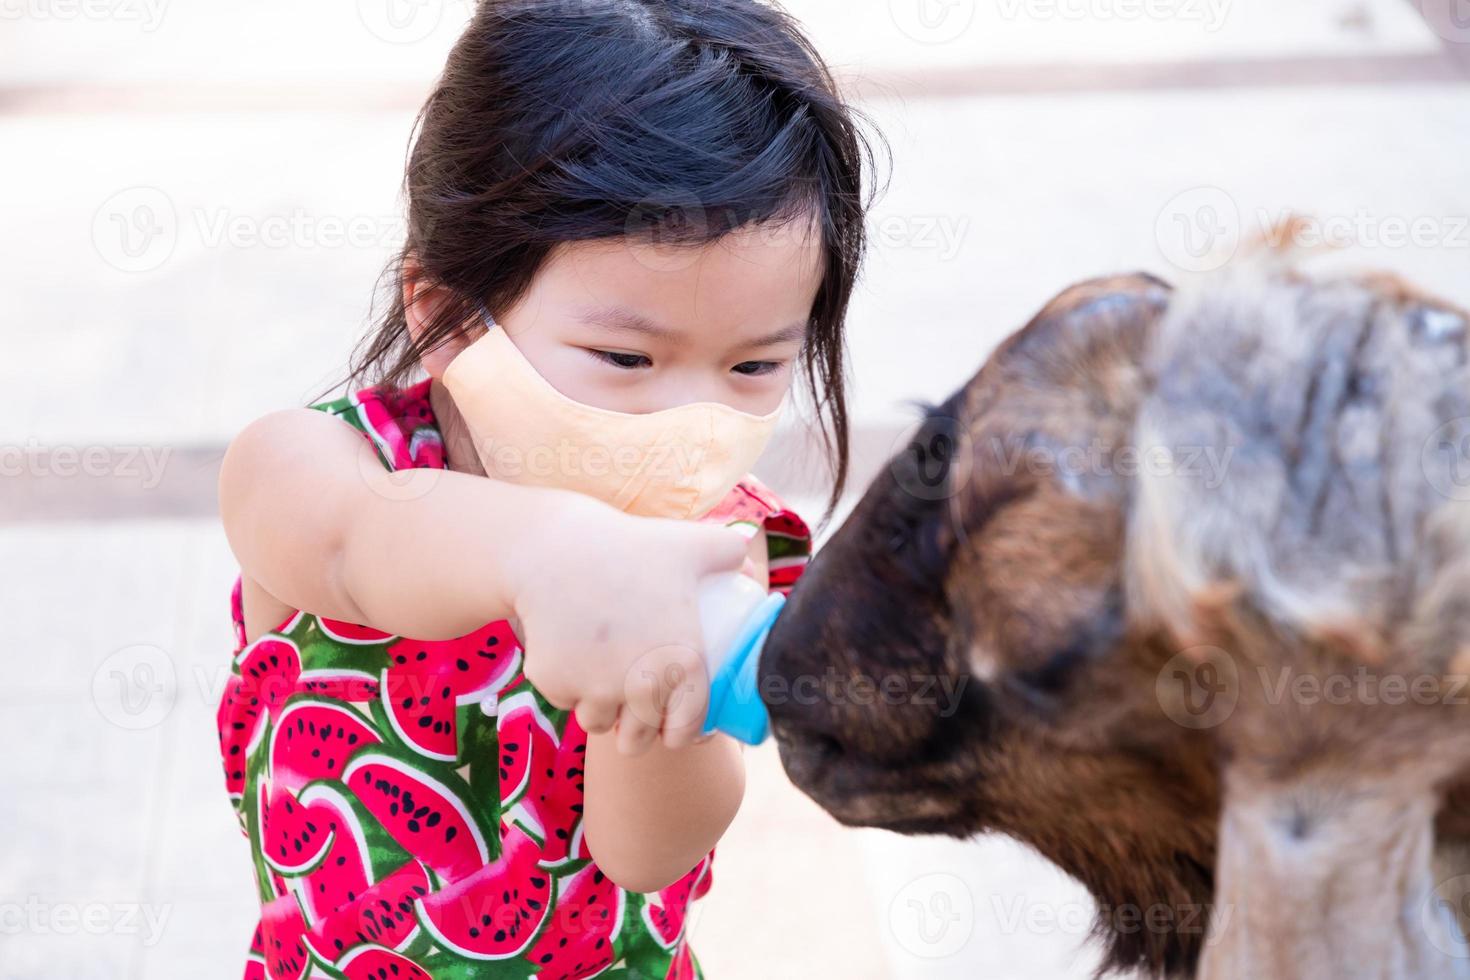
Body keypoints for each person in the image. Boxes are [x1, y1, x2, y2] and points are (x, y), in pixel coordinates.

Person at [214, 2, 879, 976]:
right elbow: (351, 545)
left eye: (753, 367)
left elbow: (646, 855)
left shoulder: (714, 552)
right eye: (626, 354)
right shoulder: (317, 464)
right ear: (444, 315)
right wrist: (552, 556)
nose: (686, 417)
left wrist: (657, 681)